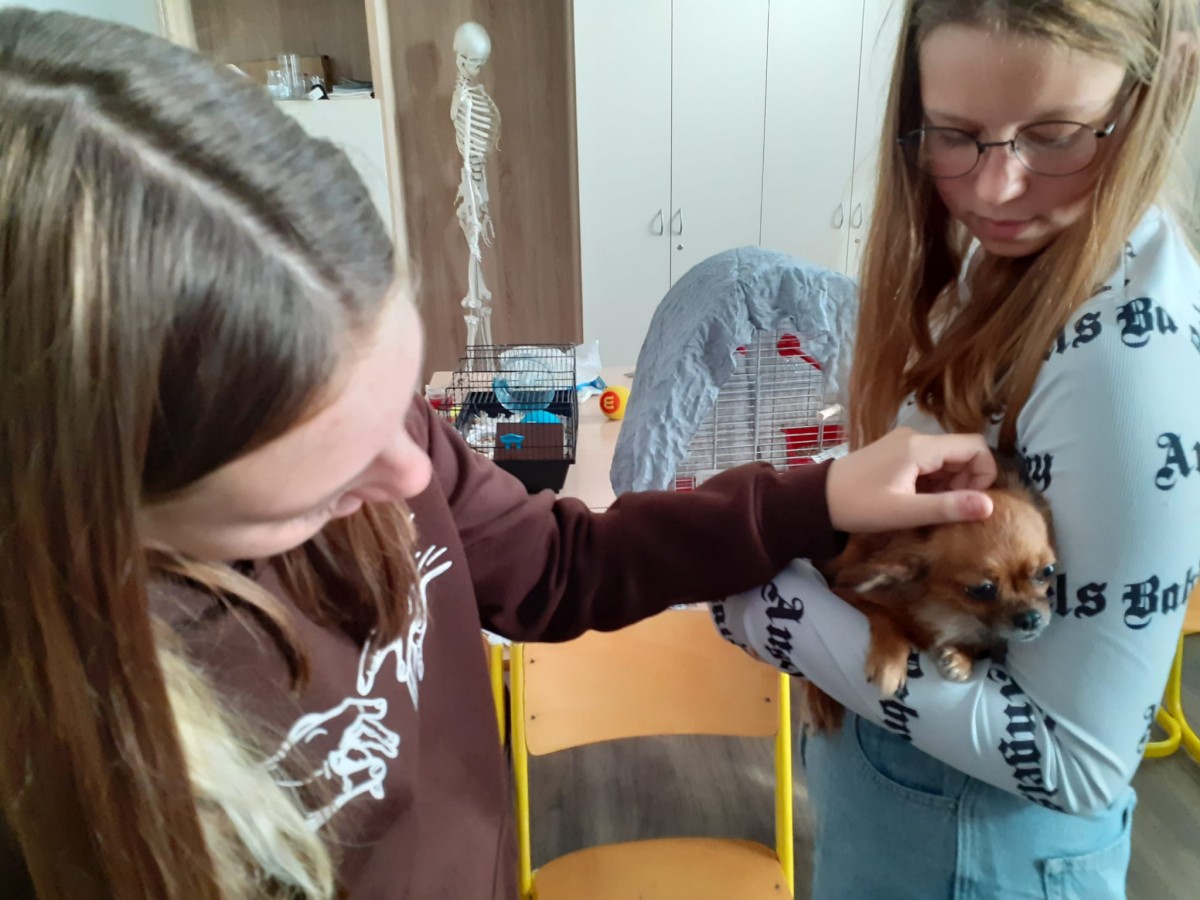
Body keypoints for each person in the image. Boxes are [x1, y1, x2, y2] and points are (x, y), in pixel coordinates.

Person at [0, 9, 1000, 900]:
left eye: (401, 408)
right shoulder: (58, 757)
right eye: (326, 486)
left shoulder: (392, 458)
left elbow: (558, 564)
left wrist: (819, 497)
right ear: (94, 507)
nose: (410, 481)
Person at [713, 1, 1200, 897]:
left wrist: (768, 612)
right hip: (911, 816)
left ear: (1164, 84)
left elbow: (1080, 760)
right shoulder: (1021, 257)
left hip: (972, 856)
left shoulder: (1124, 364)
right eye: (953, 135)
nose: (994, 191)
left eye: (1055, 136)